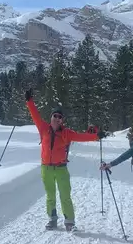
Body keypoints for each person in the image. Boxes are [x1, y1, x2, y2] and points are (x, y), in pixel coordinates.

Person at [25, 88, 105, 231]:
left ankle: (69, 222)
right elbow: (34, 115)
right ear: (51, 117)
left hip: (61, 168)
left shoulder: (67, 133)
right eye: (55, 116)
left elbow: (82, 136)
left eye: (59, 117)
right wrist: (29, 101)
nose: (57, 118)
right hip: (46, 169)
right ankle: (52, 219)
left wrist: (96, 136)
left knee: (65, 195)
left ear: (62, 120)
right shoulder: (43, 128)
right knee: (50, 196)